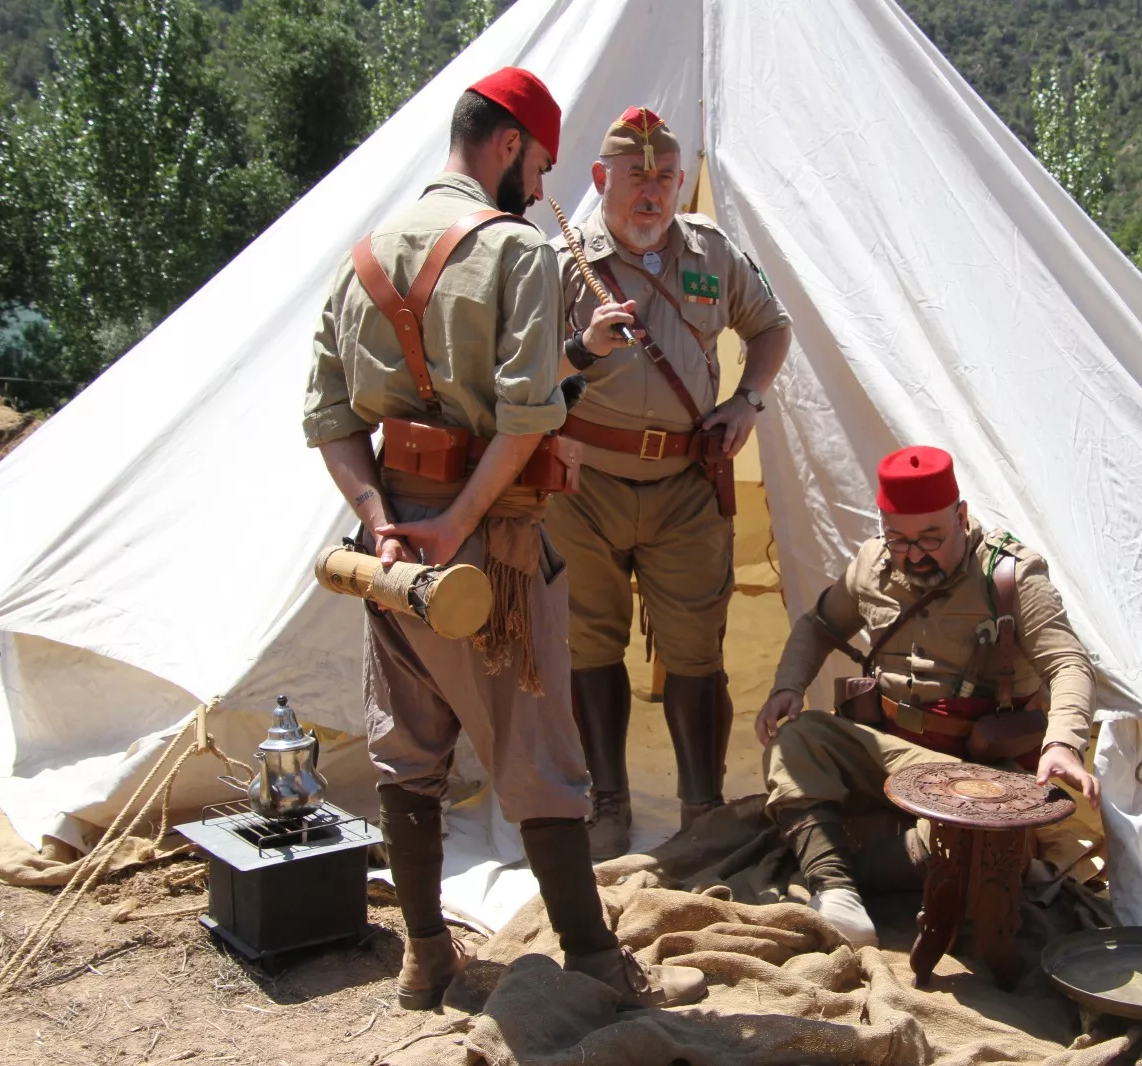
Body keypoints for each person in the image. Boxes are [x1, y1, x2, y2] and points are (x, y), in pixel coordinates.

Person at [302, 68, 704, 1011]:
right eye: (542, 163)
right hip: (491, 541)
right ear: (510, 144)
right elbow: (524, 420)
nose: (540, 184)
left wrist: (381, 523)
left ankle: (426, 958)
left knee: (408, 750)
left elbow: (326, 419)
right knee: (543, 751)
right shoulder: (518, 251)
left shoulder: (362, 251)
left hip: (387, 553)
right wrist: (458, 523)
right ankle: (598, 964)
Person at [548, 106, 792, 858]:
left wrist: (747, 401)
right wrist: (581, 348)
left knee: (695, 649)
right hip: (584, 483)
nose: (650, 194)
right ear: (600, 181)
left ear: (680, 182)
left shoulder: (710, 252)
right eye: (635, 178)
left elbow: (772, 326)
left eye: (664, 178)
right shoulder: (563, 262)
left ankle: (700, 809)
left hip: (687, 484)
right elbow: (524, 376)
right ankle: (607, 805)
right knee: (589, 643)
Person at [753, 445, 1100, 948]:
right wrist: (789, 687)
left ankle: (838, 865)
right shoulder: (871, 564)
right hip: (892, 755)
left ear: (961, 516)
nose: (913, 554)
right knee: (796, 740)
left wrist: (1063, 743)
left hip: (978, 775)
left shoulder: (1009, 576)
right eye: (898, 539)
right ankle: (837, 894)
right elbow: (819, 624)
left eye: (931, 538)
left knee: (981, 839)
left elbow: (1069, 664)